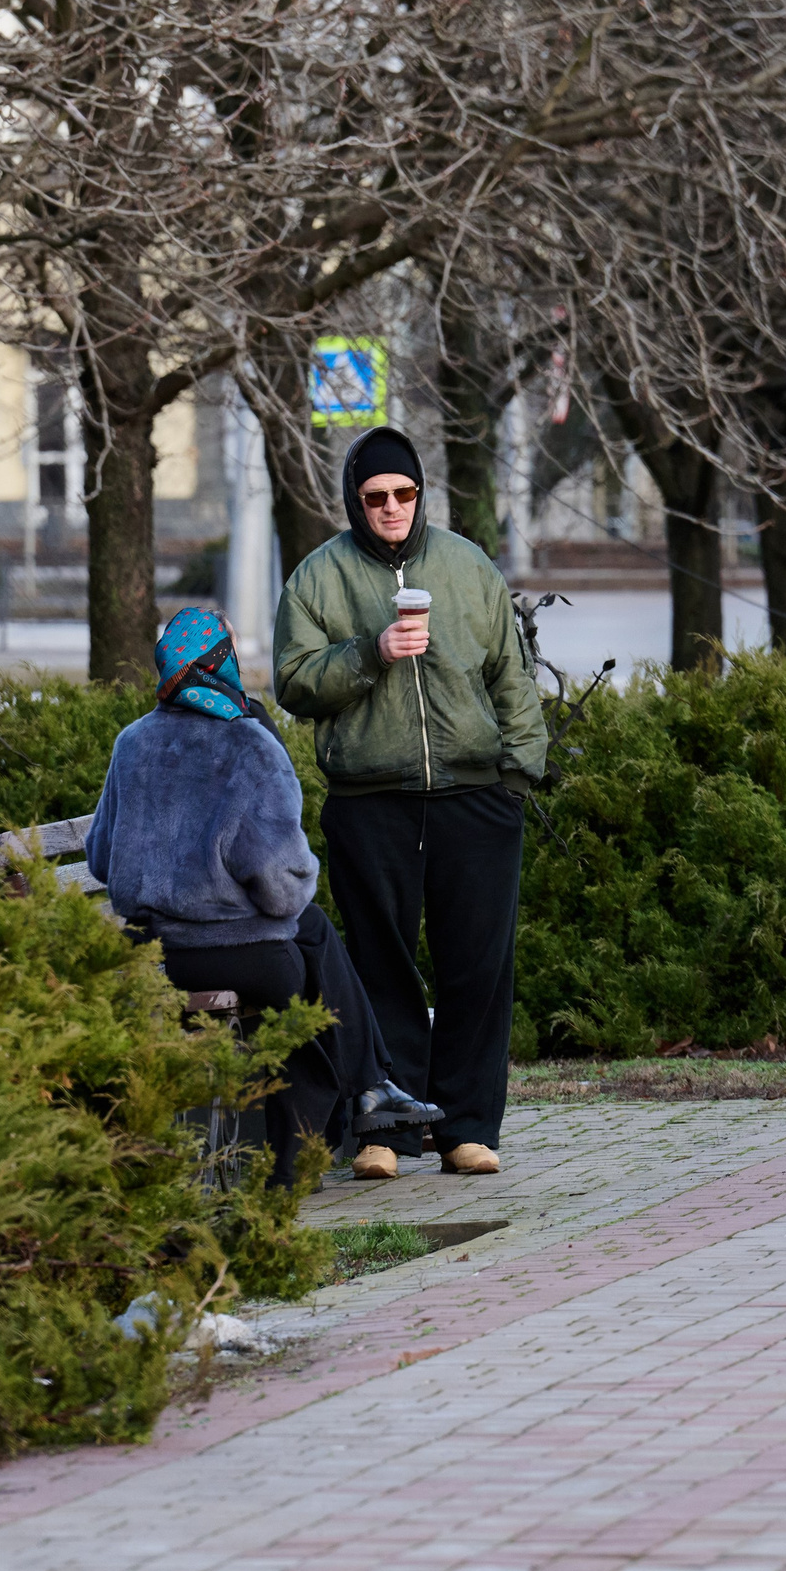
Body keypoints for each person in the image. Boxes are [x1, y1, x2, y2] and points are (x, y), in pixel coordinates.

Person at [273, 427, 547, 1180]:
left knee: (477, 967)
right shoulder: (317, 579)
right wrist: (371, 651)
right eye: (375, 497)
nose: (391, 507)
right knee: (376, 969)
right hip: (370, 800)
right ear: (354, 503)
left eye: (404, 493)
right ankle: (386, 1130)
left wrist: (517, 777)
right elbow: (293, 681)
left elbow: (511, 679)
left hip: (474, 796)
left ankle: (467, 1127)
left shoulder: (467, 567)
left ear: (421, 494)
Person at [84, 608, 439, 1186]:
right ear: (223, 664)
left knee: (311, 941)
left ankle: (370, 1090)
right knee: (306, 961)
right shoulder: (249, 744)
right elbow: (282, 888)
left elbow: (101, 857)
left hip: (146, 951)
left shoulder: (132, 743)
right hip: (240, 956)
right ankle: (338, 1120)